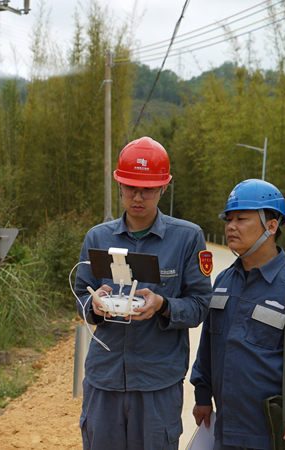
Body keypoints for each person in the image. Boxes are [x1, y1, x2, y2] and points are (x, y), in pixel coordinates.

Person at [75, 136, 212, 449]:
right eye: (130, 187)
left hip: (157, 384)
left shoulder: (187, 238)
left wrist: (163, 305)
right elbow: (80, 296)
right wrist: (94, 306)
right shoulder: (98, 237)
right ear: (119, 185)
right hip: (104, 379)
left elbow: (200, 305)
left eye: (147, 189)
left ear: (164, 187)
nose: (138, 197)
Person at [189, 179, 285, 450]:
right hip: (224, 431)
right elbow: (209, 345)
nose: (231, 226)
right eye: (228, 219)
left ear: (272, 226)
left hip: (274, 434)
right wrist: (202, 394)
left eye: (241, 219)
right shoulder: (225, 281)